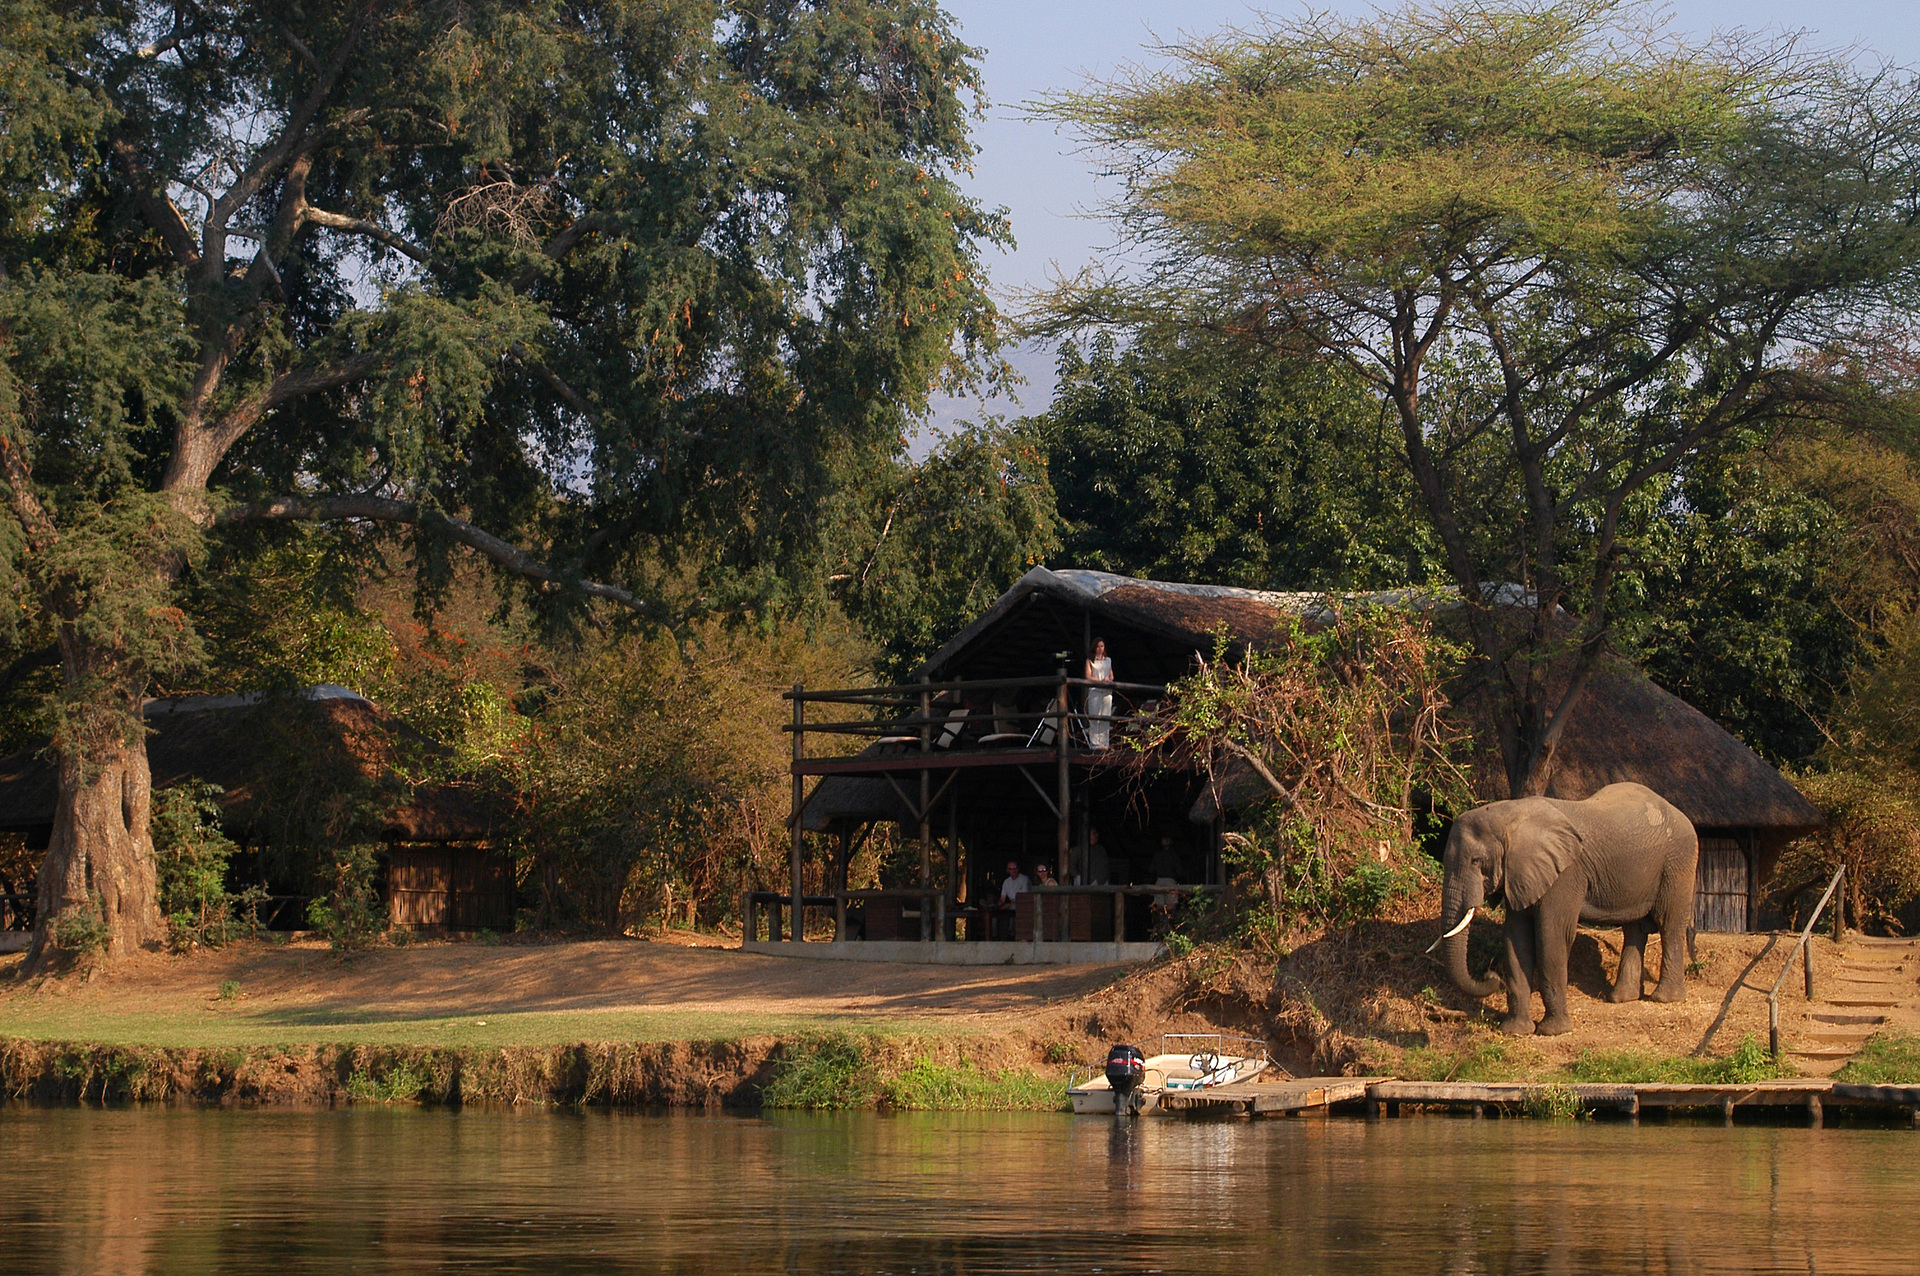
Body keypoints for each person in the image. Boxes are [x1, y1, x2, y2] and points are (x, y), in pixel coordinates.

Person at [1084, 638, 1114, 748]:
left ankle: (1105, 744)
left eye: (1102, 646)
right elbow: (1088, 676)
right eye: (1098, 646)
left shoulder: (1108, 660)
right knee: (1095, 717)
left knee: (1106, 717)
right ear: (1094, 648)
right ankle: (1095, 744)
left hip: (1106, 691)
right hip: (1095, 690)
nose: (1100, 649)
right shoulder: (1090, 660)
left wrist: (1109, 680)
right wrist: (1100, 681)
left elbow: (1111, 675)